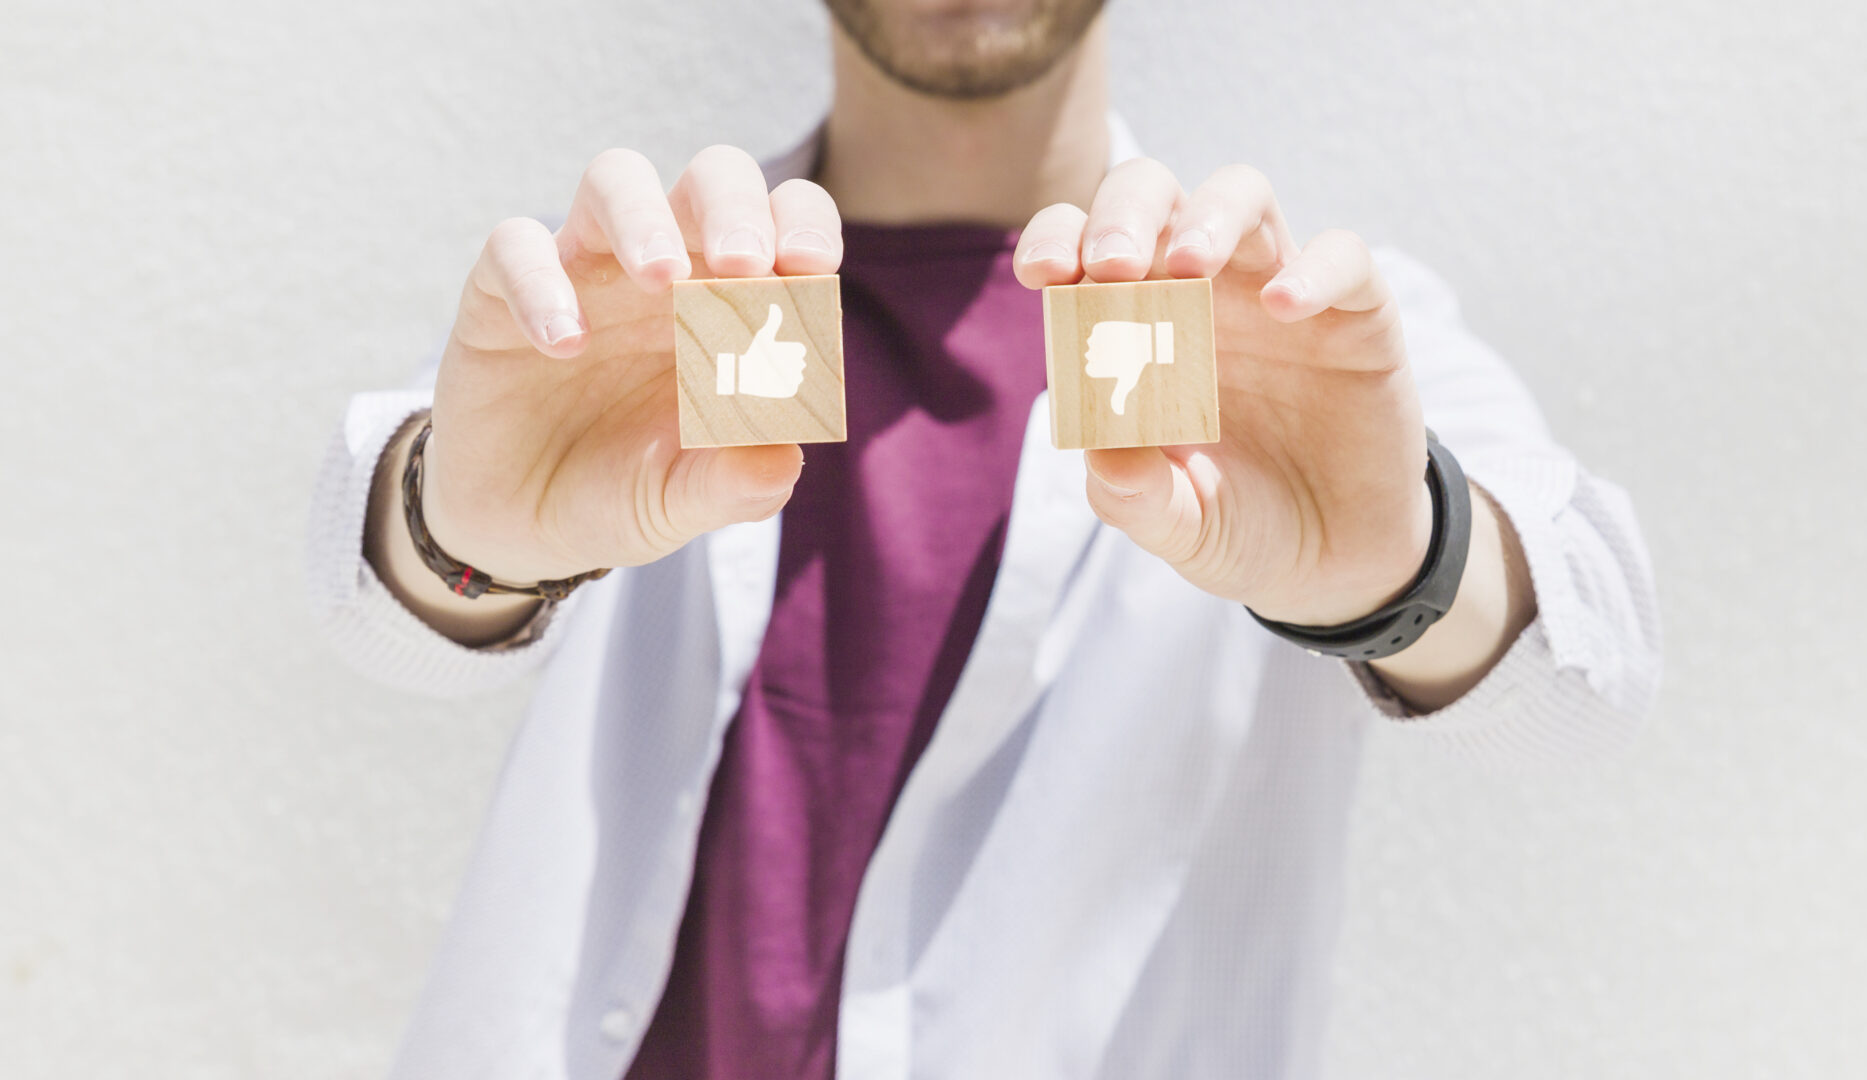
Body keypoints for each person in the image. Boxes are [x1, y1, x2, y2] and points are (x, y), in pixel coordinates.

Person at [306, 1, 1661, 1076]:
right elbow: (391, 615)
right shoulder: (631, 293)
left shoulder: (1299, 329)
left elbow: (1583, 678)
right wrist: (461, 540)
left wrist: (1400, 573)